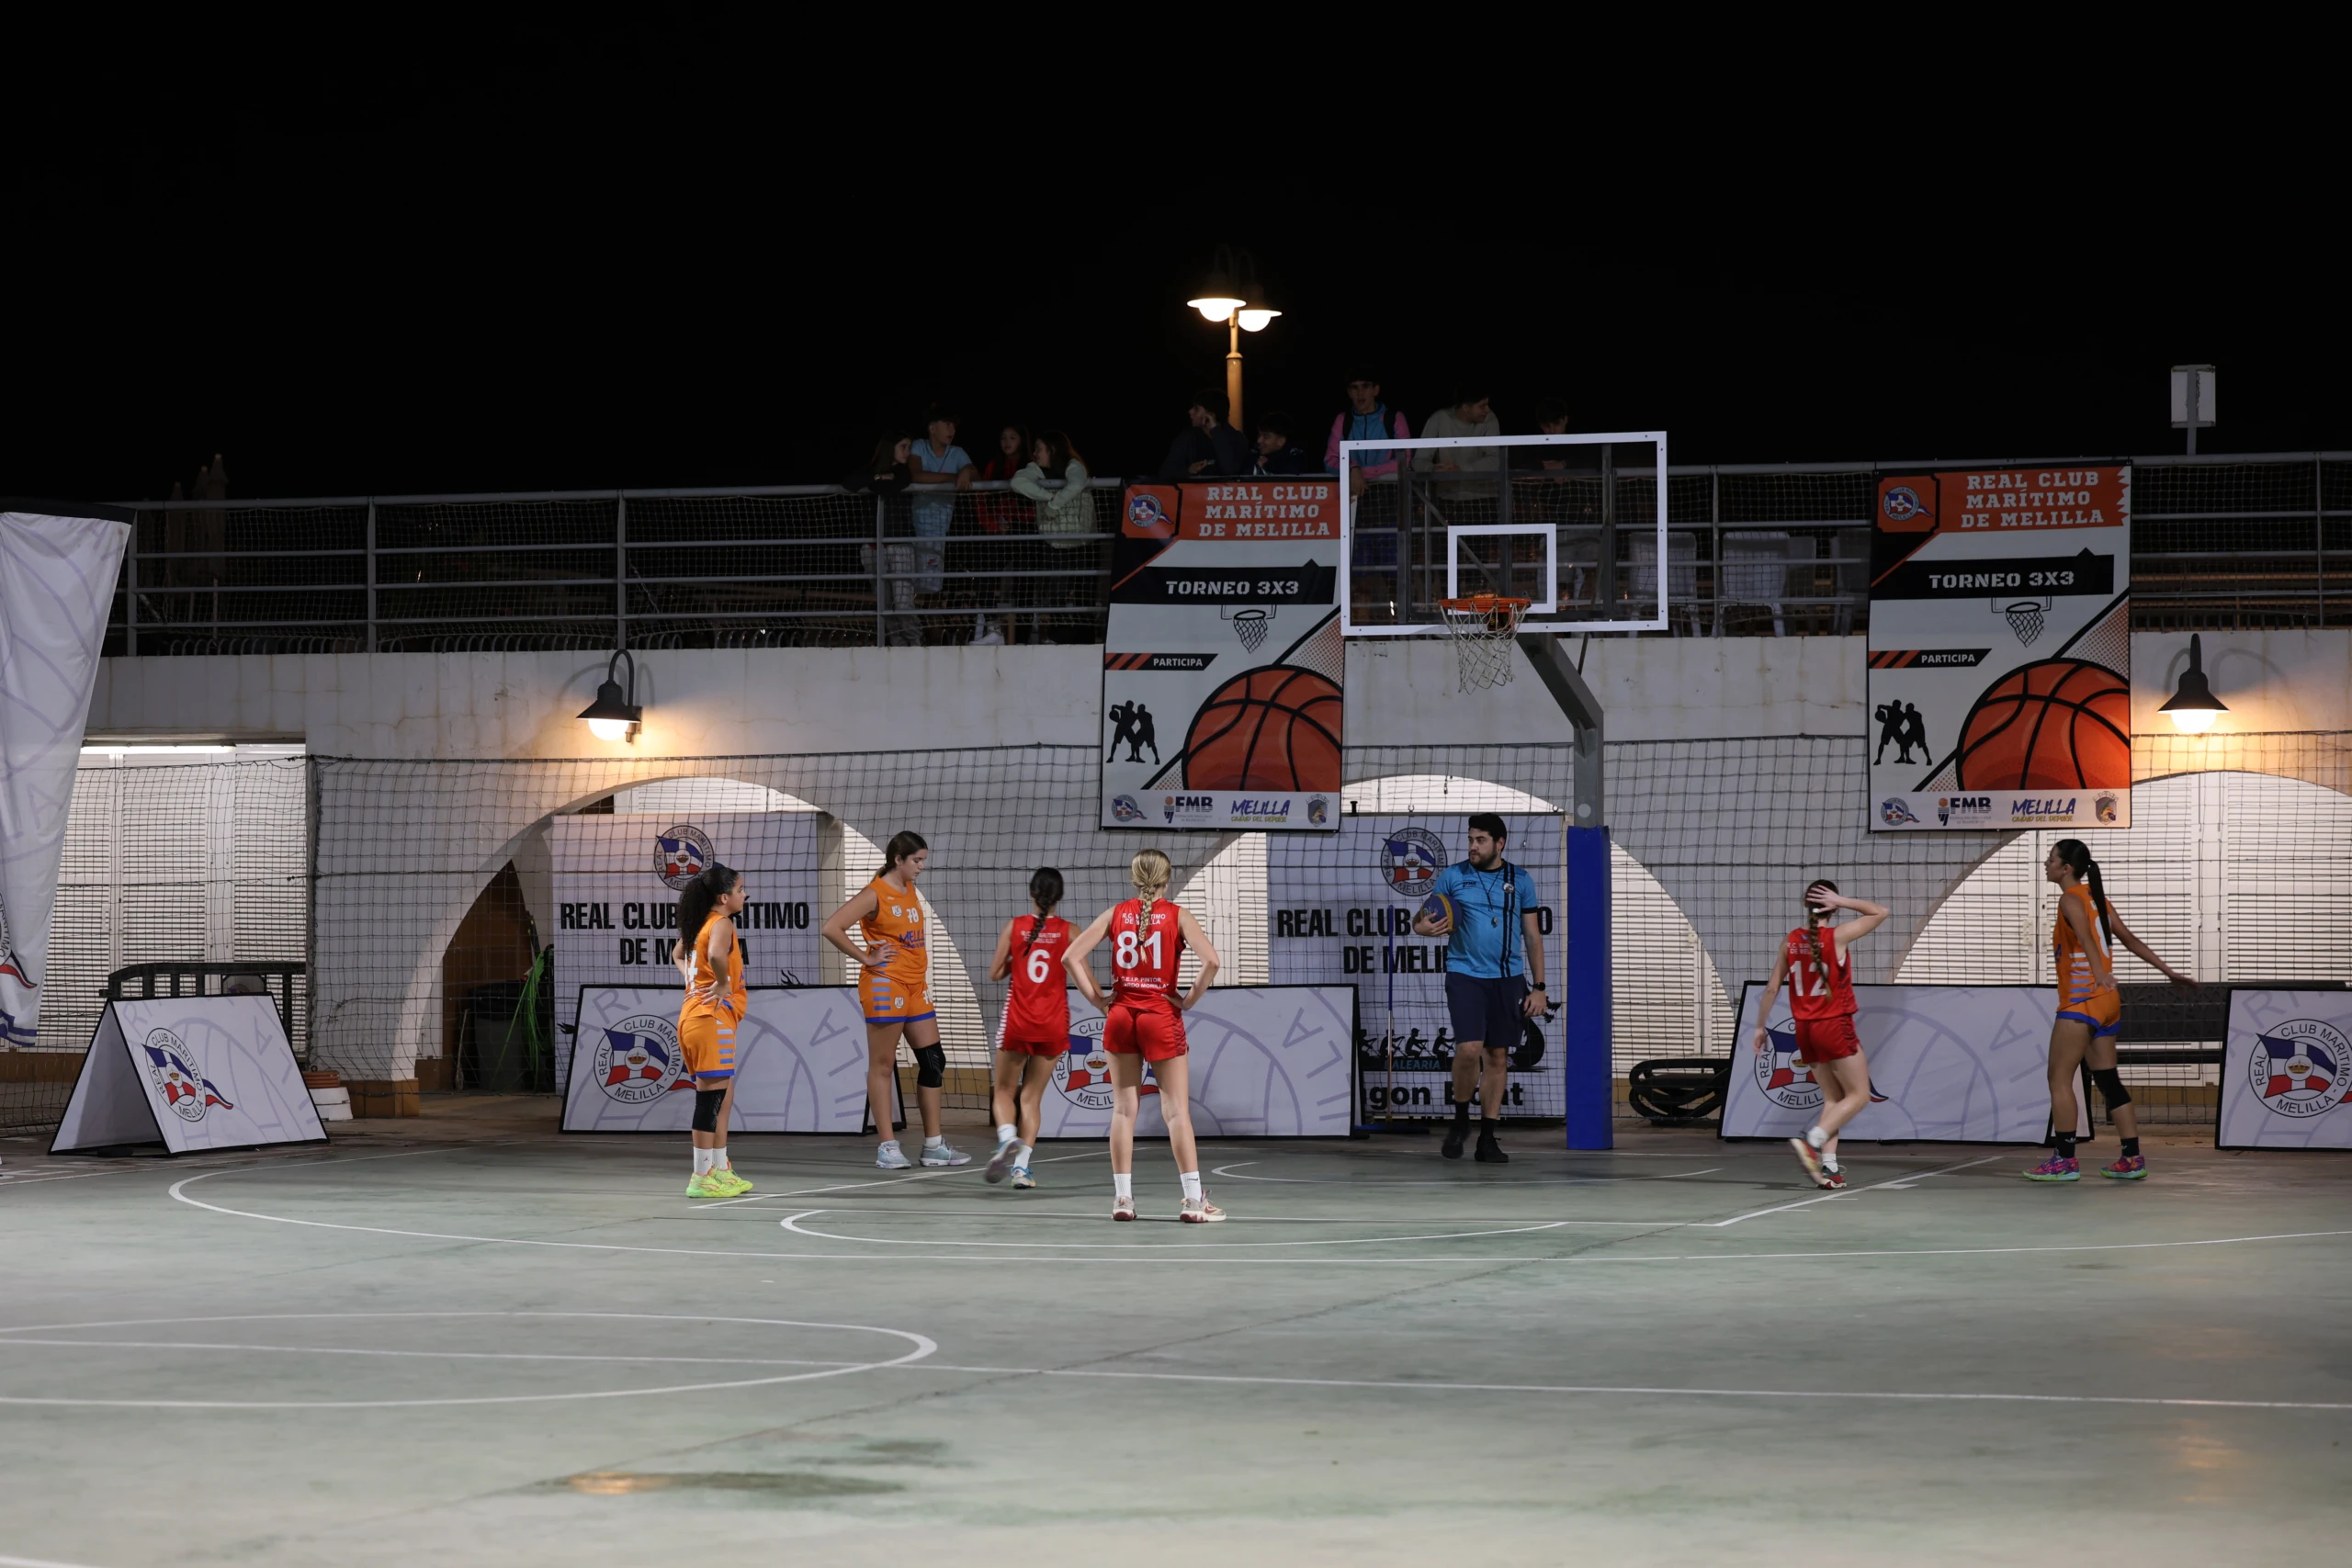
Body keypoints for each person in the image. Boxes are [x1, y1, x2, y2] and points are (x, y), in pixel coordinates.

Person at [1065, 848, 1226, 1222]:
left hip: (1121, 1015)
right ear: (1167, 879)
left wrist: (1097, 999)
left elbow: (1070, 957)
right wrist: (1188, 1001)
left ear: (1134, 878)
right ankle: (1193, 1201)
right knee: (1176, 1112)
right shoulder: (1178, 916)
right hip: (1160, 1016)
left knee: (1123, 1111)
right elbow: (1213, 961)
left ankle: (1123, 1199)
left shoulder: (1115, 914)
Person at [2029, 839, 2196, 1182]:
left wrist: (2098, 973)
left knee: (2058, 1078)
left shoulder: (2070, 898)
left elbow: (2087, 938)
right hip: (2107, 1001)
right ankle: (2132, 1158)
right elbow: (2129, 940)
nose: (2047, 864)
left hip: (2083, 999)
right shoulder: (2098, 898)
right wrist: (2168, 971)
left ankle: (2064, 1160)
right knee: (2107, 1080)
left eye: (2051, 859)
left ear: (2066, 868)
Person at [821, 830, 970, 1170]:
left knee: (934, 1061)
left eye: (923, 860)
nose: (921, 866)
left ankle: (933, 1146)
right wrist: (866, 957)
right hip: (885, 984)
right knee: (883, 1065)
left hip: (915, 985)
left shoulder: (909, 887)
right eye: (916, 860)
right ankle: (887, 1147)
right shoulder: (874, 894)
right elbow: (832, 927)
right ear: (898, 860)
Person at [1410, 813, 1548, 1164]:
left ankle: (1487, 1139)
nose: (1473, 846)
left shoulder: (1520, 880)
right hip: (1465, 974)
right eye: (1471, 839)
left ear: (1500, 843)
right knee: (1469, 1048)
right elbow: (1422, 918)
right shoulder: (1453, 876)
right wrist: (1421, 928)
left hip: (1507, 978)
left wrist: (1539, 987)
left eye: (1481, 840)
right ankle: (1460, 1120)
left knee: (1497, 1055)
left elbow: (1533, 936)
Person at [1749, 881, 1891, 1190]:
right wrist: (1843, 899)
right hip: (1834, 1025)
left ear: (1806, 905)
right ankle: (1812, 1140)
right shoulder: (1836, 936)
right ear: (1832, 908)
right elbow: (1880, 912)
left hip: (1804, 1029)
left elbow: (1772, 988)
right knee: (1859, 1096)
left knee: (1833, 1099)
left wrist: (1760, 1027)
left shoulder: (1790, 941)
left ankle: (1829, 1168)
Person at [984, 866, 1072, 1188]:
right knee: (1031, 1099)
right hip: (1053, 1024)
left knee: (1004, 1091)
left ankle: (1008, 1137)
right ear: (1059, 896)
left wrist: (1017, 960)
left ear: (1032, 893)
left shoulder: (1016, 926)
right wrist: (1104, 1002)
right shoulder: (1070, 932)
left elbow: (995, 973)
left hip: (1018, 1022)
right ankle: (1021, 1169)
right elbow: (1083, 974)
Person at [674, 863, 751, 1198]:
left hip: (696, 1017)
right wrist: (720, 982)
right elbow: (717, 955)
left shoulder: (699, 924)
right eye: (740, 890)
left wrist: (693, 981)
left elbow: (677, 954)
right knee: (710, 1101)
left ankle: (720, 1168)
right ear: (724, 897)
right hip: (710, 1019)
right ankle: (701, 1175)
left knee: (723, 1096)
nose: (744, 894)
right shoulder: (721, 923)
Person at [908, 405, 976, 636]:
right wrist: (953, 477)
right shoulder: (919, 446)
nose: (951, 430)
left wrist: (966, 471)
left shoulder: (956, 452)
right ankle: (916, 640)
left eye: (954, 426)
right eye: (947, 425)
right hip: (914, 530)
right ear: (932, 427)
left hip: (942, 532)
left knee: (933, 593)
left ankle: (930, 643)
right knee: (914, 593)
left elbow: (974, 472)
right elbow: (916, 475)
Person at [970, 423, 1033, 647]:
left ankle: (1023, 639)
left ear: (1022, 440)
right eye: (1004, 437)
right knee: (984, 573)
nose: (1007, 442)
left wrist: (1022, 519)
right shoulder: (994, 465)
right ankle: (993, 628)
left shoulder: (1032, 465)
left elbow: (1043, 498)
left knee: (1025, 585)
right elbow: (980, 498)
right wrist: (993, 525)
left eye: (1012, 437)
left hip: (1026, 529)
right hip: (998, 530)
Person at [1414, 385, 1503, 511]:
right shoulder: (1439, 419)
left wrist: (1460, 470)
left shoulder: (1490, 419)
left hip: (1485, 498)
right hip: (1447, 498)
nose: (1487, 410)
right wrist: (1433, 469)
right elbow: (1419, 460)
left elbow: (1494, 460)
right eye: (1482, 406)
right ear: (1466, 407)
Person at [1324, 374, 1413, 499]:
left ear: (1376, 390)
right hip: (1352, 493)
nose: (1360, 393)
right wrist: (1352, 468)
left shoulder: (1395, 418)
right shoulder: (1342, 420)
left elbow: (1404, 460)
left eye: (1365, 386)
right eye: (1354, 387)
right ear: (1349, 392)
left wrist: (1360, 472)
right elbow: (1330, 461)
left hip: (1389, 493)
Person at [1157, 389, 1247, 480]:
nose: (1190, 411)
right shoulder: (1188, 437)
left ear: (1210, 414)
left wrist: (1215, 431)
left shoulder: (1237, 438)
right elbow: (1165, 472)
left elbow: (1230, 469)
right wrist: (1187, 470)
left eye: (1196, 408)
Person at [1250, 412, 1316, 475]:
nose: (1259, 440)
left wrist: (1267, 465)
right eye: (1259, 435)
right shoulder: (1255, 452)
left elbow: (1294, 470)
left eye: (1266, 436)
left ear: (1281, 441)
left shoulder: (1294, 455)